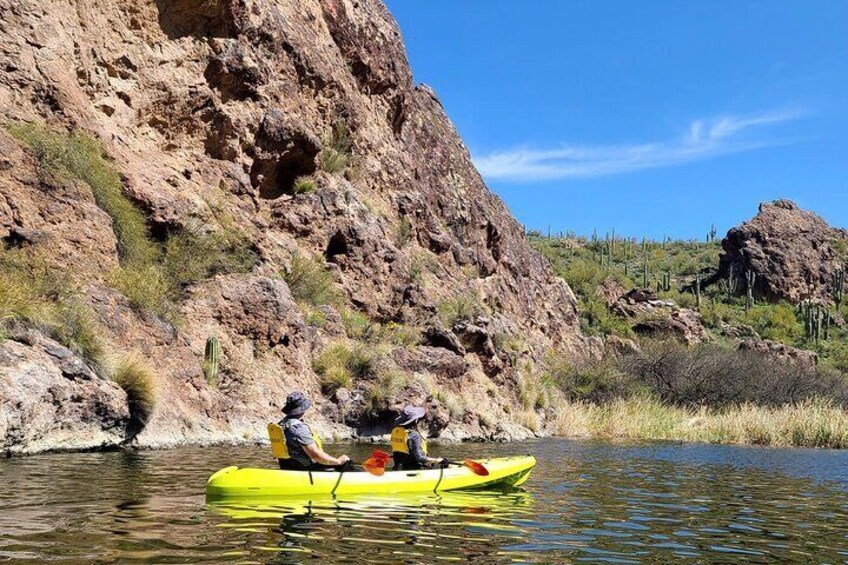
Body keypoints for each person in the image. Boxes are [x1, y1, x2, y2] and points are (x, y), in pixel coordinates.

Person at [275, 391, 350, 471]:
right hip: (306, 470)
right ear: (303, 409)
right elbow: (315, 455)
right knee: (346, 462)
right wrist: (338, 461)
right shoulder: (299, 428)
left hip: (288, 467)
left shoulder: (281, 424)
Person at [390, 405, 447, 470]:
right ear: (416, 420)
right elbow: (419, 457)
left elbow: (400, 453)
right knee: (445, 463)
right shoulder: (414, 435)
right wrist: (437, 460)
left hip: (399, 467)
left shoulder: (395, 431)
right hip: (415, 470)